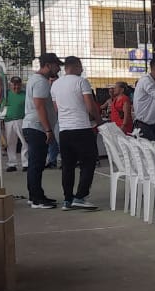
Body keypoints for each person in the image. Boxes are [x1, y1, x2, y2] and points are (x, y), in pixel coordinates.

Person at [47, 56, 101, 210]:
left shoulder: (55, 85)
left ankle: (67, 199)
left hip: (64, 130)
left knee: (67, 166)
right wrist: (98, 120)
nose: (82, 70)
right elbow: (90, 106)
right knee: (88, 162)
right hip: (81, 128)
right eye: (81, 66)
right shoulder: (81, 82)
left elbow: (56, 108)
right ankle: (81, 196)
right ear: (75, 66)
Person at [23, 53, 63, 209]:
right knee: (36, 164)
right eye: (56, 66)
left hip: (33, 126)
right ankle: (36, 199)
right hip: (37, 127)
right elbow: (40, 106)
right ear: (48, 65)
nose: (58, 69)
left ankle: (35, 195)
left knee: (36, 163)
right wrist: (48, 130)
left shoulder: (35, 79)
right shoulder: (41, 82)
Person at [2, 76, 26, 172]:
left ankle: (26, 163)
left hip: (22, 120)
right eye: (14, 85)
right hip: (8, 121)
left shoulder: (25, 94)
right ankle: (12, 164)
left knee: (25, 142)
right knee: (10, 143)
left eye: (18, 84)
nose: (16, 87)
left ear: (21, 85)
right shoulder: (5, 95)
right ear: (10, 85)